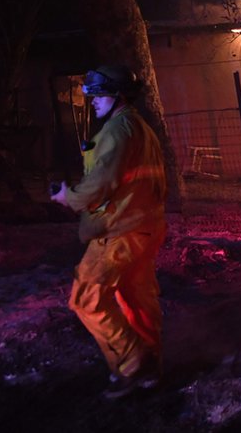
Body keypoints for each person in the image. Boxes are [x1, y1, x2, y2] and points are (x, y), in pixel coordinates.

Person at [51, 64, 167, 399]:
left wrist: (67, 197)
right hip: (144, 226)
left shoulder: (118, 130)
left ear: (116, 94)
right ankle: (151, 366)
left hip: (120, 230)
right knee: (136, 298)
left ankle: (133, 362)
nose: (93, 102)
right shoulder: (138, 127)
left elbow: (101, 183)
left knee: (87, 299)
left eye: (98, 95)